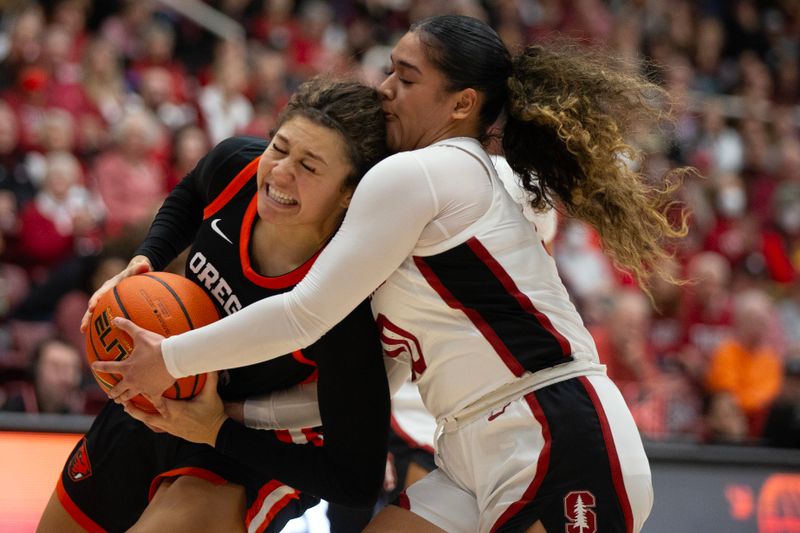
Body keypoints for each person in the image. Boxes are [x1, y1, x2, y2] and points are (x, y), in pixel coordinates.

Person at [96, 15, 690, 533]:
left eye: (406, 80)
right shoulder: (444, 188)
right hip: (465, 448)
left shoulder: (422, 173)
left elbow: (303, 314)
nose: (383, 90)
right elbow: (367, 384)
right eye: (389, 71)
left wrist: (171, 360)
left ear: (462, 105)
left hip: (555, 429)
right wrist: (225, 420)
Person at [37, 78, 392, 533]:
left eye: (309, 166)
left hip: (251, 446)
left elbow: (357, 483)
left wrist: (215, 431)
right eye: (279, 148)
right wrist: (148, 257)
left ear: (349, 192)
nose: (281, 173)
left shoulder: (345, 300)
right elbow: (190, 193)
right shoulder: (237, 166)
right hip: (163, 389)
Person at [1, 336, 84, 414]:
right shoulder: (11, 412)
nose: (67, 378)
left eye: (73, 370)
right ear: (35, 370)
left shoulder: (77, 416)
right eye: (56, 368)